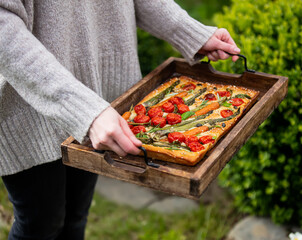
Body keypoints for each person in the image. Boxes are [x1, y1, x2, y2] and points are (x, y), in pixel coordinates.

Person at [0, 0, 240, 239]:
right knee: (42, 224)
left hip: (99, 97)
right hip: (26, 106)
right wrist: (83, 110)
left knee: (76, 215)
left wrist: (189, 32)